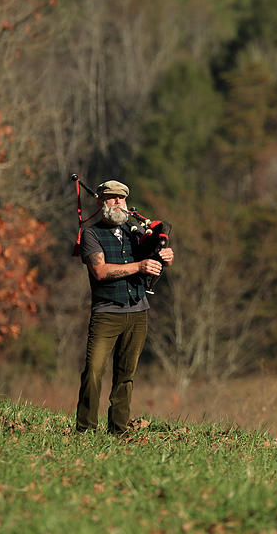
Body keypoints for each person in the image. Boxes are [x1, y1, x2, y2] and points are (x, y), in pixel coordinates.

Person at [75, 179, 174, 434]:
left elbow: (153, 258)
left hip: (138, 311)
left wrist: (165, 256)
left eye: (122, 198)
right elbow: (99, 271)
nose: (118, 202)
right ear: (101, 202)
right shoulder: (91, 234)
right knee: (94, 372)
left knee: (126, 374)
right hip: (106, 313)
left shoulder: (137, 232)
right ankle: (85, 428)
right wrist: (139, 267)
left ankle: (118, 431)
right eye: (112, 198)